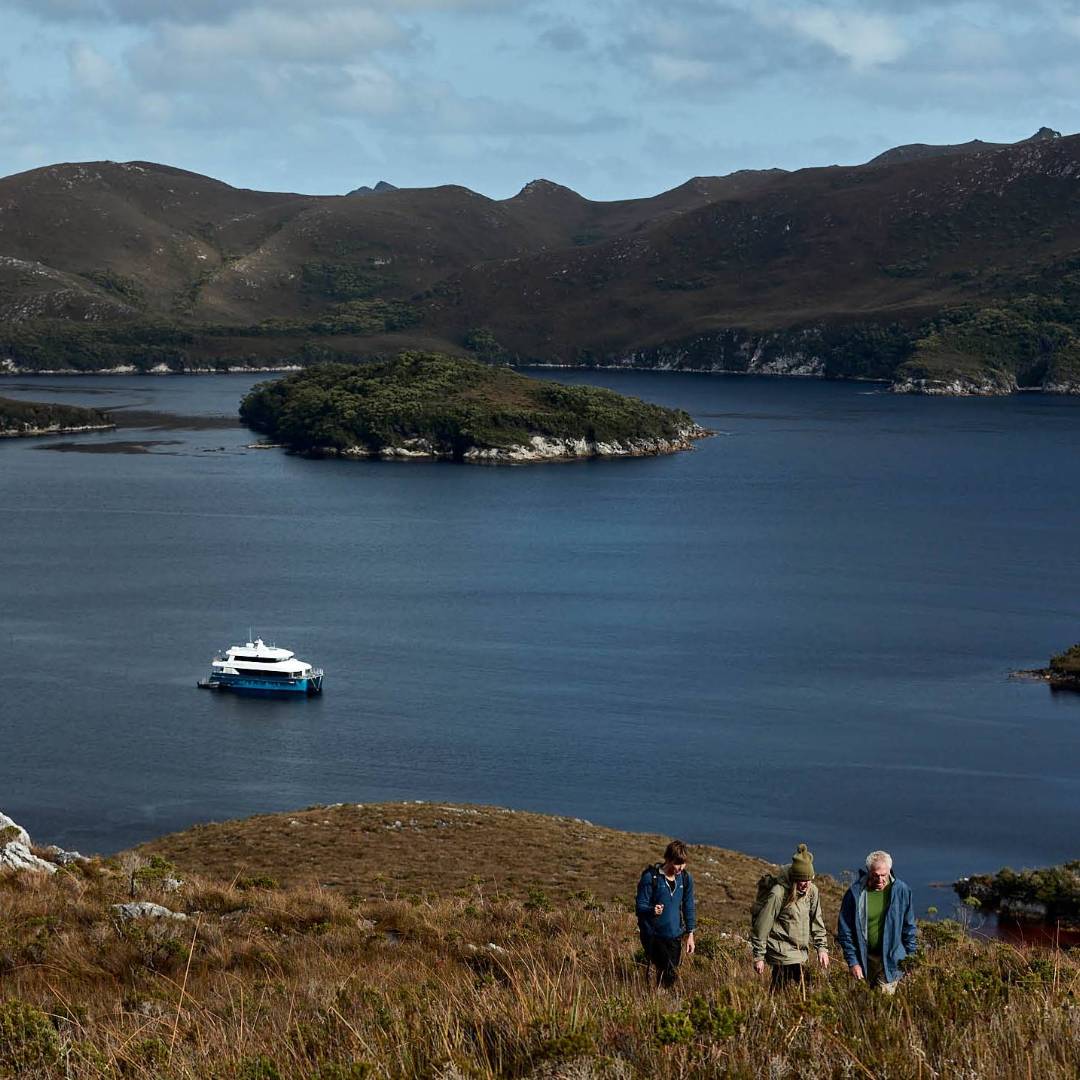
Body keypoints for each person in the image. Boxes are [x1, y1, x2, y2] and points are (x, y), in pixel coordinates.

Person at [836, 849, 917, 995]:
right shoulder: (855, 894)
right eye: (875, 876)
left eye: (884, 875)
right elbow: (845, 931)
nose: (880, 880)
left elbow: (909, 927)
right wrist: (853, 962)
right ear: (868, 872)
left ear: (890, 871)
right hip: (865, 960)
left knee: (883, 1001)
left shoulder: (902, 891)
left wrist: (910, 960)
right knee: (865, 1004)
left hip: (892, 960)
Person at [750, 843, 830, 990]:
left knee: (785, 987)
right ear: (794, 878)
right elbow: (762, 926)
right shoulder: (778, 893)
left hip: (800, 951)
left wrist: (821, 948)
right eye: (801, 880)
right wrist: (759, 957)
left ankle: (775, 1009)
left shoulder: (812, 891)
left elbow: (816, 921)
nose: (805, 884)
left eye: (808, 880)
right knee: (804, 984)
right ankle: (778, 1009)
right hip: (781, 950)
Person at [635, 839, 696, 987]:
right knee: (666, 969)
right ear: (668, 859)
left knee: (671, 973)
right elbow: (639, 906)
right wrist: (652, 910)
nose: (680, 867)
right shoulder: (651, 877)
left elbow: (688, 905)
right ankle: (659, 999)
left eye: (683, 863)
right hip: (653, 935)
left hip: (675, 935)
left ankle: (660, 999)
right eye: (677, 863)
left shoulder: (686, 879)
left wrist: (690, 934)